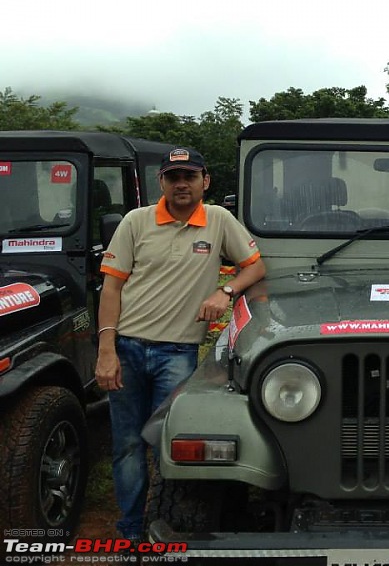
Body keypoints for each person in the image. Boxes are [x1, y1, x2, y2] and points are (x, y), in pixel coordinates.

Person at [94, 147, 266, 541]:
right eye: (173, 177)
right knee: (126, 445)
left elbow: (256, 266)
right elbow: (112, 287)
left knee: (171, 445)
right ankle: (130, 530)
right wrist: (107, 350)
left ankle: (169, 520)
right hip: (128, 348)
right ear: (162, 183)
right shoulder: (136, 222)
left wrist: (226, 291)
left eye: (189, 176)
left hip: (178, 353)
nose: (181, 184)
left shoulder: (219, 220)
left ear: (205, 181)